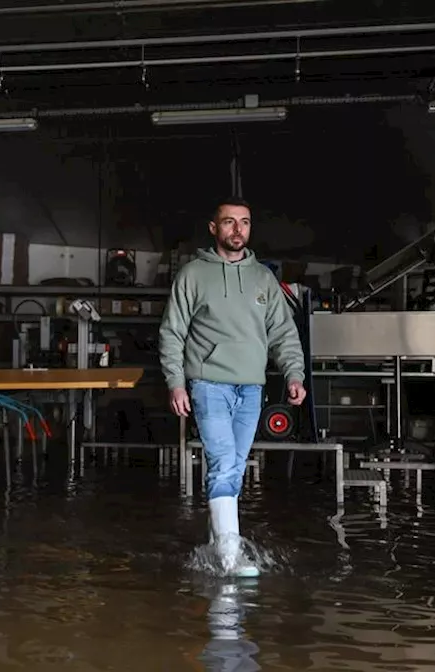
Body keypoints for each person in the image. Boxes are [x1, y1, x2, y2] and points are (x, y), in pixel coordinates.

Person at [158, 196, 307, 577]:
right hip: (209, 384)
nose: (237, 229)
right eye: (229, 222)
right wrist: (176, 383)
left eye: (244, 222)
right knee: (224, 464)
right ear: (214, 228)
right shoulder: (193, 274)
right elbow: (172, 332)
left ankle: (215, 548)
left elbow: (283, 333)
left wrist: (294, 374)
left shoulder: (263, 278)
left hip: (251, 387)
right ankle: (228, 556)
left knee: (234, 469)